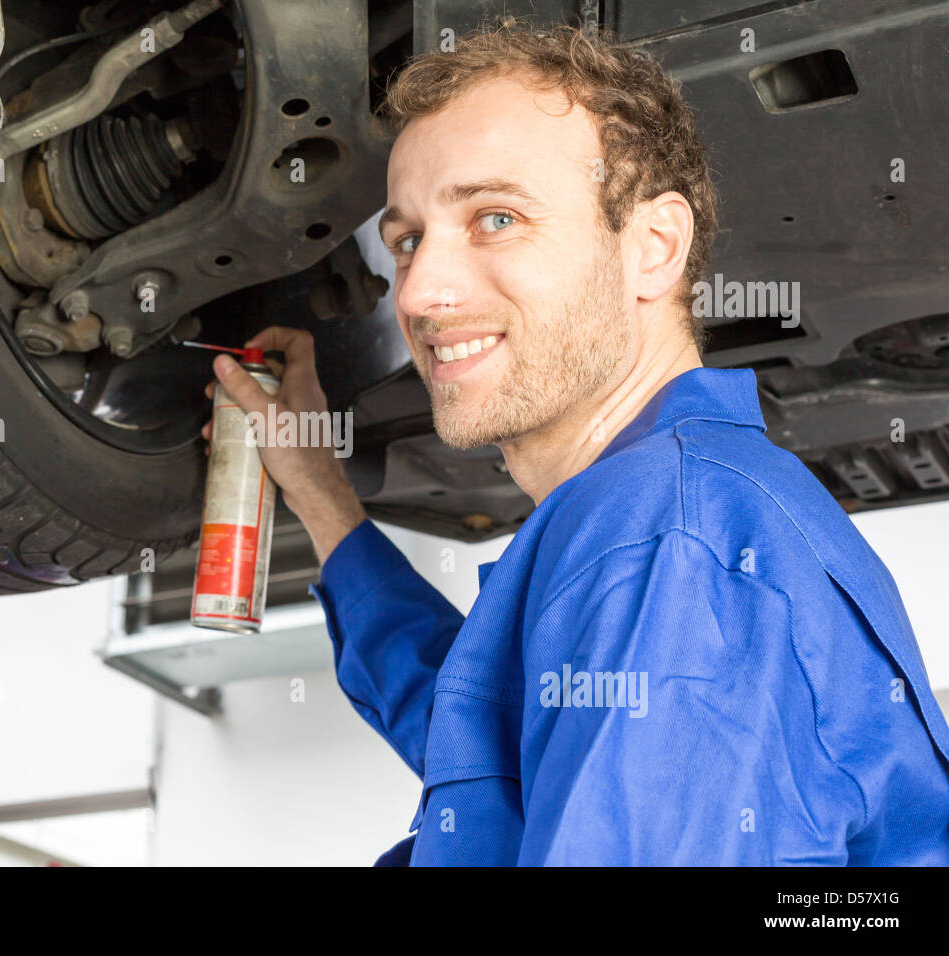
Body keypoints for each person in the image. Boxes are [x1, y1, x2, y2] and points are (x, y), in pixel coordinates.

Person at [203, 20, 949, 865]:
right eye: (408, 239)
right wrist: (319, 494)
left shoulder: (668, 538)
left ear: (654, 249)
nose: (419, 292)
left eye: (496, 217)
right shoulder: (672, 513)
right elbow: (486, 746)